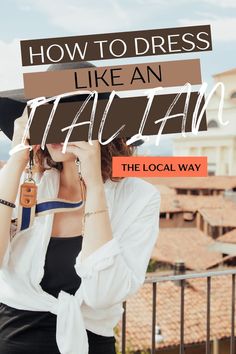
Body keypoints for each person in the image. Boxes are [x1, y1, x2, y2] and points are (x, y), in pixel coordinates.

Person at [0, 62, 161, 354]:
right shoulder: (21, 184)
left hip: (91, 345)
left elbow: (103, 294)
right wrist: (15, 162)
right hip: (13, 341)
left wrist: (94, 185)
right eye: (45, 117)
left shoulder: (139, 197)